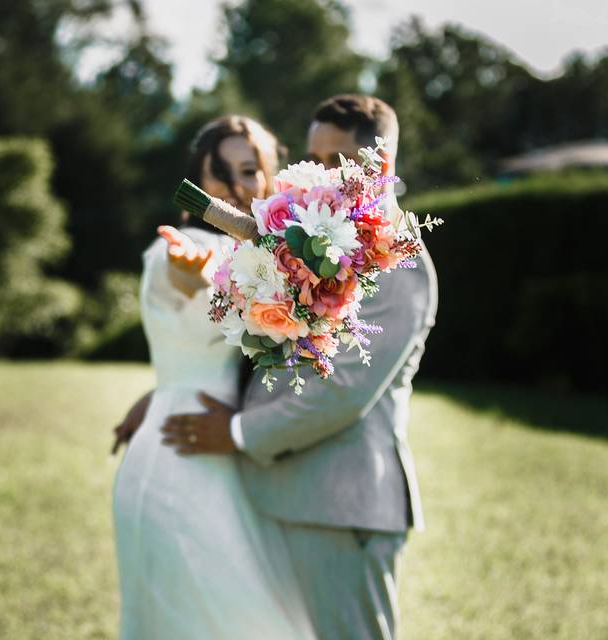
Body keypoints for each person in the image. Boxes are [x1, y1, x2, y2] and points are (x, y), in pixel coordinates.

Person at [116, 95, 438, 639]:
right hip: (274, 494)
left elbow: (342, 391)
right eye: (313, 157)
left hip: (340, 504)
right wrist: (169, 393)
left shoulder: (395, 258)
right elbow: (269, 347)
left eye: (334, 160)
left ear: (379, 166)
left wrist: (236, 430)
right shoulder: (310, 243)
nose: (320, 174)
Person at [111, 115, 315, 639]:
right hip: (183, 461)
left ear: (273, 176)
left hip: (237, 458)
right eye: (219, 175)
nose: (238, 187)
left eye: (250, 169)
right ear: (198, 187)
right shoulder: (177, 247)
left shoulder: (283, 257)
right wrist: (193, 272)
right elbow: (185, 274)